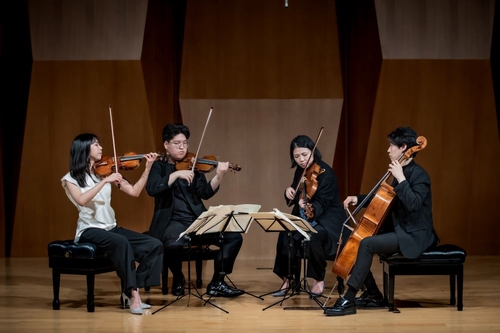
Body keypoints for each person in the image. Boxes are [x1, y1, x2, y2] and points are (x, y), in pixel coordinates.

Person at [324, 126, 439, 316]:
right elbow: (384, 197)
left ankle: (349, 299)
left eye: (391, 146)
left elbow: (414, 204)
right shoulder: (399, 171)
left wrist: (401, 178)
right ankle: (374, 294)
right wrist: (357, 199)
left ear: (403, 147)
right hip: (399, 229)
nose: (388, 150)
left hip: (413, 235)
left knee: (367, 244)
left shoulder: (419, 175)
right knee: (353, 239)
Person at [61, 133, 164, 315]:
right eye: (96, 145)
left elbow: (134, 191)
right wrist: (105, 181)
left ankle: (132, 288)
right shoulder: (71, 178)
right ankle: (133, 296)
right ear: (84, 149)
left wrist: (147, 168)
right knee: (120, 242)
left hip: (110, 227)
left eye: (100, 144)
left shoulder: (106, 171)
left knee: (154, 245)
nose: (101, 148)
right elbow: (82, 200)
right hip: (89, 229)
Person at [146, 123, 244, 297]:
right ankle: (178, 277)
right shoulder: (159, 167)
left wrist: (219, 176)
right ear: (166, 145)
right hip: (172, 222)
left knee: (234, 237)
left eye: (185, 143)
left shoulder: (193, 164)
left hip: (198, 220)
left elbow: (204, 193)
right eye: (177, 143)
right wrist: (175, 175)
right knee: (171, 245)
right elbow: (152, 188)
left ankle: (217, 282)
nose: (182, 147)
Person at [272, 135, 349, 297]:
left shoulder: (327, 174)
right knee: (285, 232)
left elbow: (322, 203)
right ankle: (288, 278)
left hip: (327, 219)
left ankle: (318, 279)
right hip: (305, 216)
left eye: (305, 155)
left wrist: (309, 207)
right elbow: (295, 192)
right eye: (296, 156)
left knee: (315, 236)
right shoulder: (301, 171)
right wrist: (288, 192)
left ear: (313, 151)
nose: (301, 159)